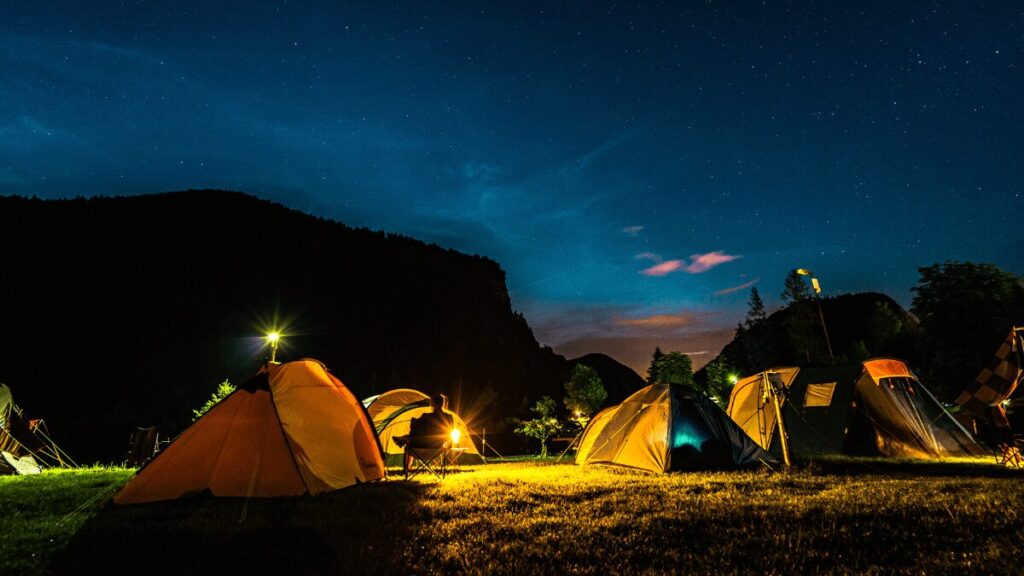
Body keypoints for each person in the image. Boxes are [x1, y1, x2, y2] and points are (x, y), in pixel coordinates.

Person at [395, 393, 455, 476]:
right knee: (412, 438)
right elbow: (450, 434)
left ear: (432, 404)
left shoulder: (425, 416)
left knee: (410, 441)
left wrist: (413, 423)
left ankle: (407, 466)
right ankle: (403, 439)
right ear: (443, 404)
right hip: (437, 449)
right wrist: (449, 445)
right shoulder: (449, 417)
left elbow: (414, 432)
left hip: (418, 448)